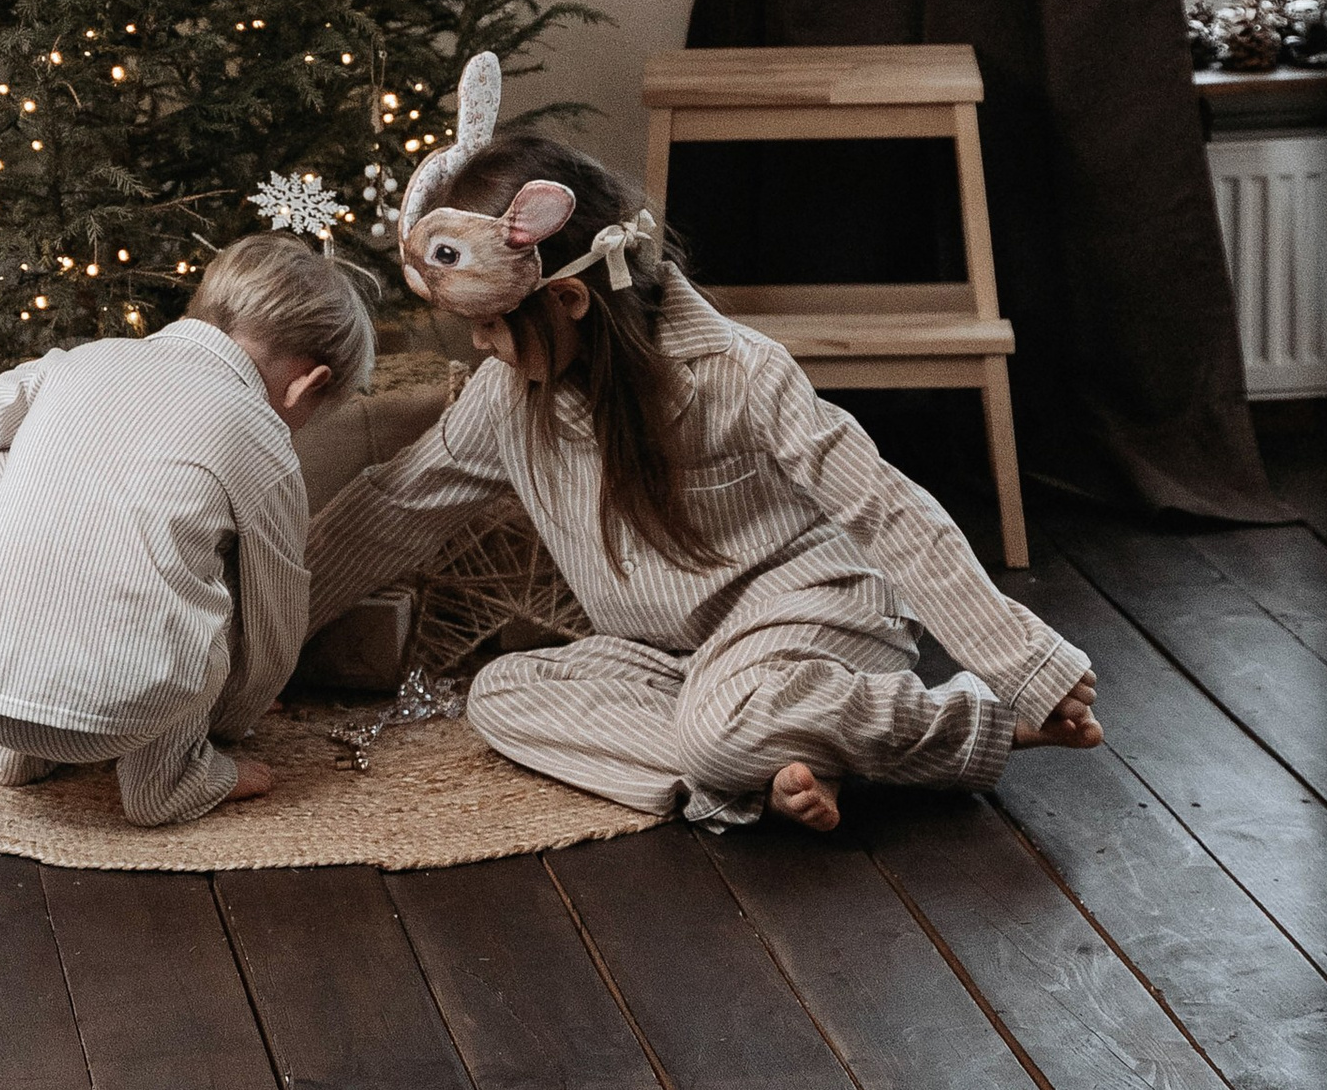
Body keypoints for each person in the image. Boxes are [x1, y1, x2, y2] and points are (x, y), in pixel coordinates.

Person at [307, 114, 1102, 832]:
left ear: (571, 302)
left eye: (489, 325)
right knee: (501, 694)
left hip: (809, 614)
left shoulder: (741, 372)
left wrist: (1024, 663)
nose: (480, 346)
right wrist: (251, 646)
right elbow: (395, 507)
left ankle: (964, 724)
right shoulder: (508, 396)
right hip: (673, 659)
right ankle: (769, 759)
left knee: (722, 729)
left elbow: (886, 510)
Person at [0, 234, 372, 825]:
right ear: (308, 383)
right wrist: (233, 718)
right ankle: (169, 780)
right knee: (228, 568)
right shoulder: (261, 441)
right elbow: (275, 617)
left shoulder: (80, 361)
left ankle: (14, 750)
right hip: (116, 717)